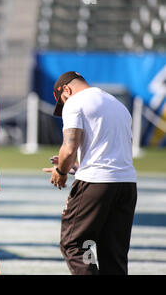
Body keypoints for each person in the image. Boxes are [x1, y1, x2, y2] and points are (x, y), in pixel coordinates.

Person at [43, 71, 137, 275]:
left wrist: (61, 170)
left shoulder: (75, 102)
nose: (64, 105)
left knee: (73, 244)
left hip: (95, 184)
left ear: (66, 90)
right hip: (126, 184)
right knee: (114, 254)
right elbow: (115, 150)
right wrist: (77, 165)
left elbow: (69, 146)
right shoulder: (117, 105)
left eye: (63, 100)